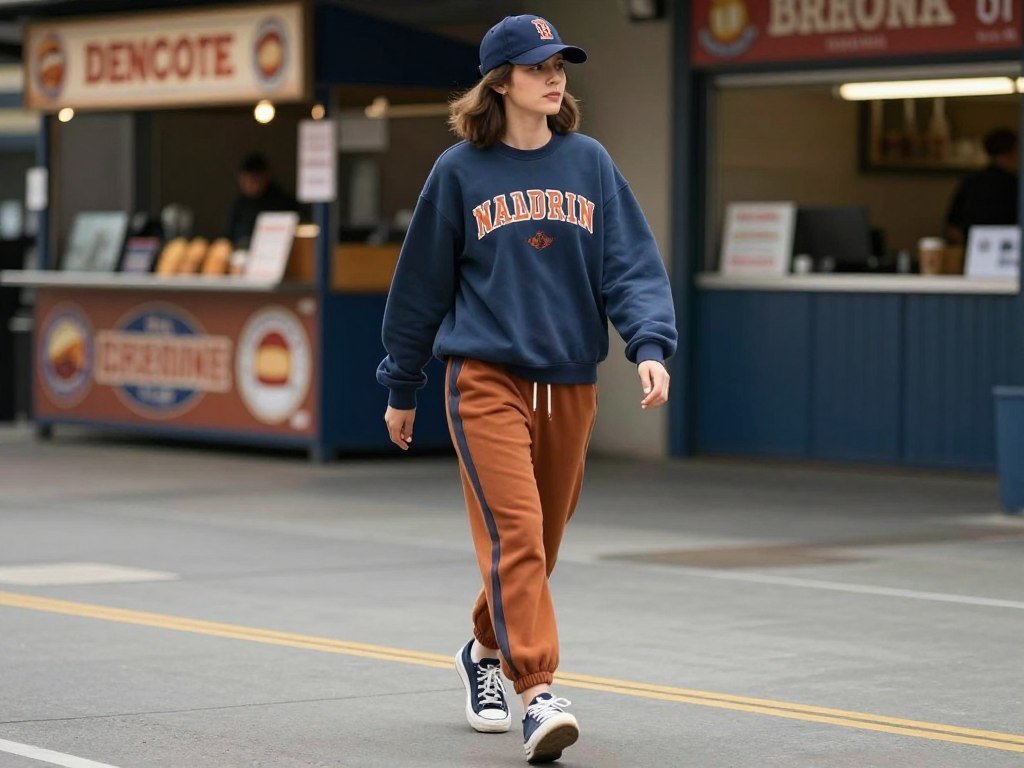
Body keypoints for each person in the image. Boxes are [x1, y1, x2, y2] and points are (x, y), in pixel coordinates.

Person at [375, 14, 676, 764]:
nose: (555, 76)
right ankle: (537, 694)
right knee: (517, 535)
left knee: (539, 544)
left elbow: (631, 265)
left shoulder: (591, 163)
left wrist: (649, 345)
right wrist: (402, 385)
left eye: (560, 65)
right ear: (500, 81)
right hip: (484, 380)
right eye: (539, 65)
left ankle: (481, 651)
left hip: (571, 382)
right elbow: (419, 289)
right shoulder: (458, 173)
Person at [946, 128, 1019, 246]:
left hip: (974, 250)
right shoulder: (1016, 186)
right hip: (1009, 250)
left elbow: (953, 227)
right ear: (1013, 152)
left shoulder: (971, 182)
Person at [225, 153, 301, 248]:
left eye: (253, 180)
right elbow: (227, 236)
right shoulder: (240, 203)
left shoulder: (282, 201)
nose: (249, 184)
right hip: (240, 253)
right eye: (245, 180)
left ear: (264, 177)